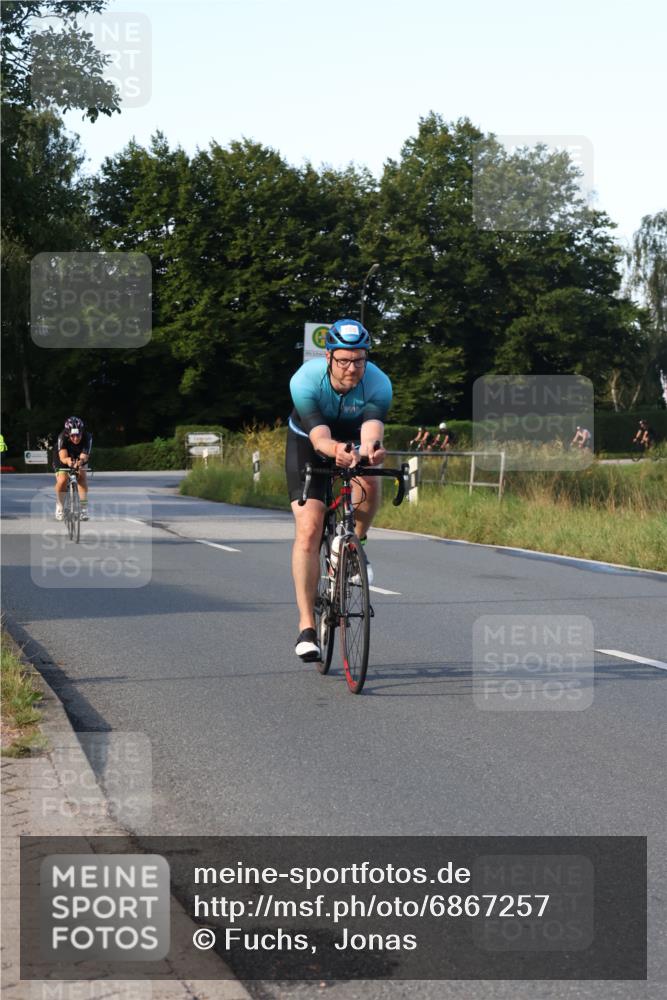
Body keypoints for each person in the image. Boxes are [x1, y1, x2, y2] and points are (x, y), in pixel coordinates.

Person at [286, 318, 392, 661]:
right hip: (308, 441)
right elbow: (319, 438)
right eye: (344, 360)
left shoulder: (378, 383)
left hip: (352, 439)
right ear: (329, 357)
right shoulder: (305, 380)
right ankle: (306, 628)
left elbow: (371, 428)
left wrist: (370, 449)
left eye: (359, 360)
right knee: (309, 528)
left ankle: (353, 547)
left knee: (370, 477)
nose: (352, 368)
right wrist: (337, 453)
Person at [53, 416, 92, 521]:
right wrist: (69, 461)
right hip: (63, 457)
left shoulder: (87, 437)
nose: (75, 438)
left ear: (82, 432)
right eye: (72, 436)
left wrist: (80, 462)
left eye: (78, 435)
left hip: (79, 455)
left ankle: (84, 509)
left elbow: (84, 456)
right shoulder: (62, 437)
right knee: (63, 480)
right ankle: (59, 506)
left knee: (82, 477)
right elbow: (63, 457)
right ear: (67, 434)